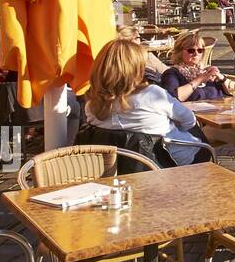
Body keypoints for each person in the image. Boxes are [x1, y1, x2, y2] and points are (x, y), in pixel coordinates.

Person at [85, 38, 208, 166]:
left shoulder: (91, 105)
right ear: (136, 69)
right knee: (199, 136)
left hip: (119, 167)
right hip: (171, 161)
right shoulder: (152, 94)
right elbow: (189, 120)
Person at [160, 30, 229, 101]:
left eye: (200, 50)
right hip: (191, 111)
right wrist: (200, 79)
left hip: (220, 110)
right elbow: (172, 97)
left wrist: (221, 77)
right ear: (180, 52)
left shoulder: (206, 70)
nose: (196, 54)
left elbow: (234, 92)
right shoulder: (172, 73)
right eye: (191, 50)